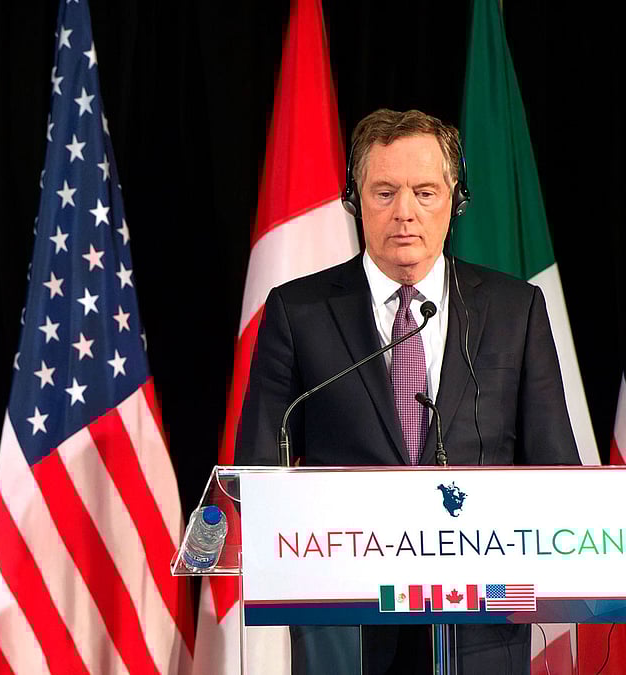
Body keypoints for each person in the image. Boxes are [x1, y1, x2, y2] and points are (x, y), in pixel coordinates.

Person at [235, 109, 579, 674]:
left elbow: (556, 472)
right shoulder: (298, 312)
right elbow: (256, 474)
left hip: (483, 628)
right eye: (385, 191)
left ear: (455, 201)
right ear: (355, 201)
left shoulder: (515, 309)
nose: (405, 213)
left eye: (425, 192)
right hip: (345, 628)